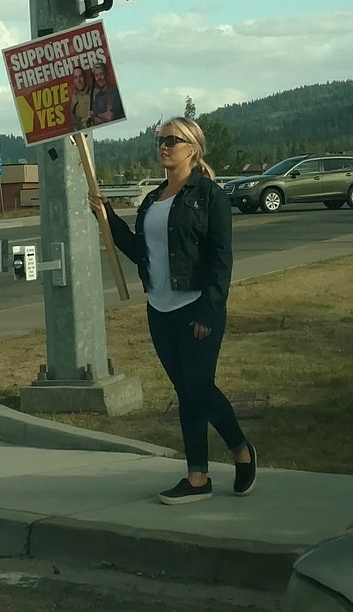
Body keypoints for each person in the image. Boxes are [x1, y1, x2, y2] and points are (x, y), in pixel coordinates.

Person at [88, 117, 256, 505]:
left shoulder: (210, 196)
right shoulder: (152, 199)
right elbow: (137, 251)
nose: (163, 146)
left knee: (198, 385)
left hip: (196, 306)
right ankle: (197, 476)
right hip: (159, 308)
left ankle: (240, 448)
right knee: (185, 391)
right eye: (160, 140)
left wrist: (210, 312)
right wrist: (107, 217)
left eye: (172, 140)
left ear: (192, 148)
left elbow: (220, 261)